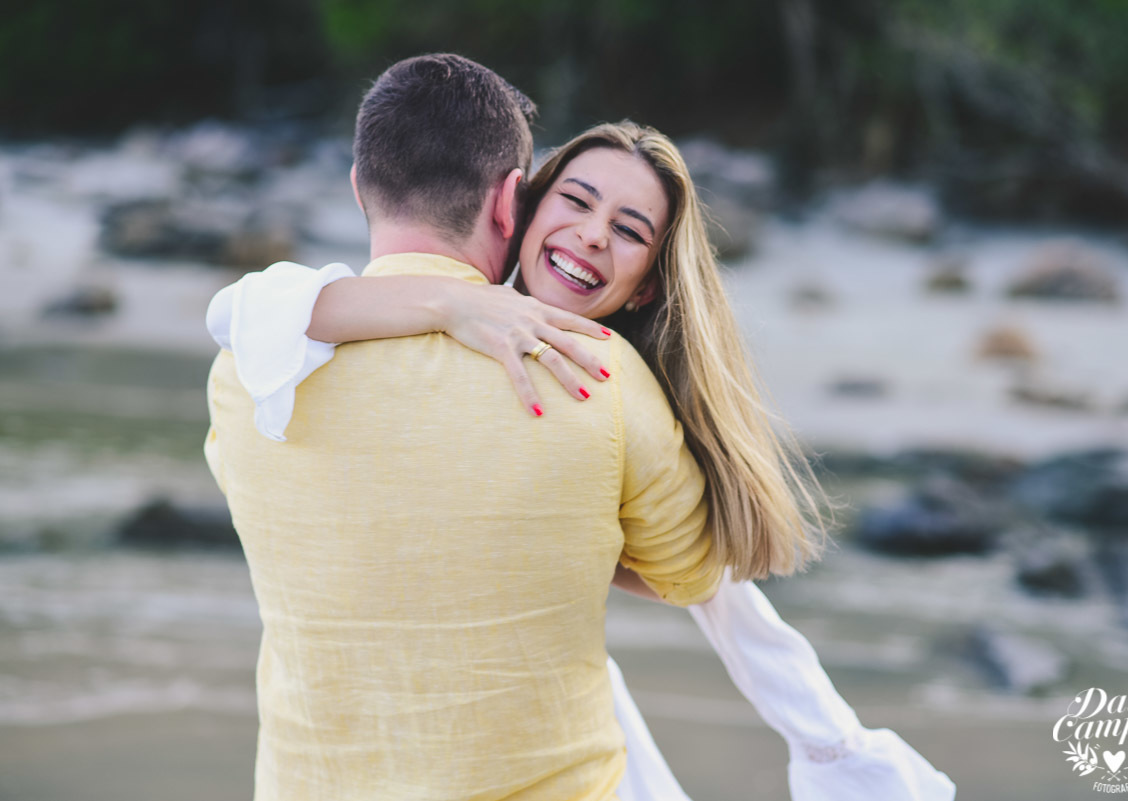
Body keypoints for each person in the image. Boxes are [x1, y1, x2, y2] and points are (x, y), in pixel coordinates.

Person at [208, 112, 958, 798]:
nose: (595, 233)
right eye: (576, 201)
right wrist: (451, 303)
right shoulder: (592, 382)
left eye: (629, 229)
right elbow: (245, 309)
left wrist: (578, 532)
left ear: (646, 287)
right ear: (518, 207)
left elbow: (243, 319)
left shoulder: (268, 361)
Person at [205, 54, 752, 801]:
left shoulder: (249, 371)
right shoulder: (597, 374)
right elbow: (691, 572)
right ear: (511, 205)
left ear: (360, 186)